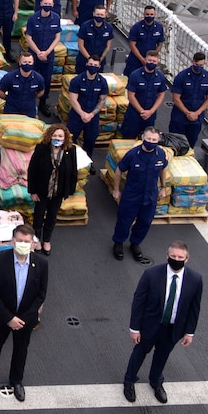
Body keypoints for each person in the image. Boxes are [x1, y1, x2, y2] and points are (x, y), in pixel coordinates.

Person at [123, 241, 203, 405]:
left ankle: (156, 382)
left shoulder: (195, 279)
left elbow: (194, 308)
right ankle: (129, 381)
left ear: (187, 258)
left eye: (180, 257)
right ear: (167, 256)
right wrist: (134, 328)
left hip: (173, 329)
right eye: (173, 256)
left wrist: (189, 332)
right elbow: (139, 303)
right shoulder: (151, 274)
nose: (176, 259)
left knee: (162, 356)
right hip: (150, 326)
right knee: (139, 353)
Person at [0, 224, 47, 404]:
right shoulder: (0, 259)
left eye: (27, 241)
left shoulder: (41, 264)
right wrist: (9, 318)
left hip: (25, 319)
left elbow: (41, 295)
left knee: (21, 350)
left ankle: (16, 380)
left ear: (33, 244)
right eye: (20, 241)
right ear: (12, 241)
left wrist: (23, 318)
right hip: (1, 317)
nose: (23, 244)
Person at [111, 127, 169, 263]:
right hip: (132, 195)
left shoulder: (160, 154)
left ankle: (135, 243)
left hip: (150, 196)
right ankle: (118, 242)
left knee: (145, 222)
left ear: (158, 140)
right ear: (143, 138)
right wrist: (116, 190)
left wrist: (163, 187)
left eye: (154, 140)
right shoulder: (133, 154)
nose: (151, 142)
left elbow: (163, 169)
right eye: (148, 139)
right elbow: (119, 170)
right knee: (124, 220)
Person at [27, 125, 78, 256]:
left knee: (52, 216)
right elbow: (32, 170)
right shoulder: (41, 148)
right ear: (49, 136)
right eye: (54, 135)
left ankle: (47, 240)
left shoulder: (70, 150)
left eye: (60, 136)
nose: (57, 138)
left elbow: (73, 171)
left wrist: (70, 191)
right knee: (38, 216)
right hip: (42, 191)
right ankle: (37, 239)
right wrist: (32, 191)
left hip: (58, 192)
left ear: (65, 138)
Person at [169, 52, 208, 148]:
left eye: (201, 65)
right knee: (174, 142)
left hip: (196, 118)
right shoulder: (182, 77)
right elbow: (176, 98)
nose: (199, 67)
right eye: (197, 65)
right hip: (180, 116)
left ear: (205, 63)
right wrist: (187, 113)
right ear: (192, 62)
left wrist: (197, 113)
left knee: (191, 143)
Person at [24, 0, 62, 117]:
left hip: (48, 55)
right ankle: (29, 102)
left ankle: (42, 103)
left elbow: (57, 37)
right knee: (30, 79)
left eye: (50, 4)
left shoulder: (56, 18)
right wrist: (38, 52)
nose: (47, 6)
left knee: (46, 80)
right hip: (33, 56)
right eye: (45, 3)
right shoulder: (33, 19)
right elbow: (28, 37)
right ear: (41, 3)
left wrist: (47, 52)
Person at [67, 56, 109, 156]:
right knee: (70, 139)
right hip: (76, 116)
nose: (92, 67)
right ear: (86, 64)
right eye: (90, 64)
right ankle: (67, 159)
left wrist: (91, 114)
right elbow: (73, 100)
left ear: (99, 66)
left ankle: (88, 162)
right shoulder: (77, 80)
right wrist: (82, 114)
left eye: (95, 65)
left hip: (92, 117)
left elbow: (102, 100)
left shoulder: (102, 82)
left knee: (90, 141)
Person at [120, 51, 168, 140]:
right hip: (134, 114)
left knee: (148, 138)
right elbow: (131, 96)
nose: (151, 63)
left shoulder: (160, 76)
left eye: (154, 61)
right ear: (145, 60)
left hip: (150, 116)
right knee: (128, 138)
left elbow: (161, 94)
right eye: (150, 60)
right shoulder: (135, 75)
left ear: (158, 62)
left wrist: (151, 111)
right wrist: (142, 111)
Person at [0, 52, 47, 118]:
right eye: (25, 62)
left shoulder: (38, 78)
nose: (27, 64)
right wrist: (10, 99)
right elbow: (0, 93)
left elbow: (41, 92)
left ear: (33, 63)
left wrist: (30, 98)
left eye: (29, 62)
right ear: (20, 63)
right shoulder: (9, 77)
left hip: (29, 112)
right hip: (11, 111)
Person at [124, 6, 165, 77]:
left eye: (151, 14)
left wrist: (153, 55)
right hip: (135, 59)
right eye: (147, 14)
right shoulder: (136, 27)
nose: (149, 16)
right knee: (130, 77)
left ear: (155, 15)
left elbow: (160, 43)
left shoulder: (159, 27)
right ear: (143, 14)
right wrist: (142, 59)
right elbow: (132, 45)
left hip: (150, 61)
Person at [76, 5, 113, 73]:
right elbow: (80, 45)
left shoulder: (109, 28)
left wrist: (100, 59)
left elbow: (108, 47)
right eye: (97, 14)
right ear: (93, 14)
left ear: (105, 15)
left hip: (99, 62)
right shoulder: (85, 26)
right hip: (84, 60)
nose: (99, 16)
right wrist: (89, 59)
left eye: (102, 14)